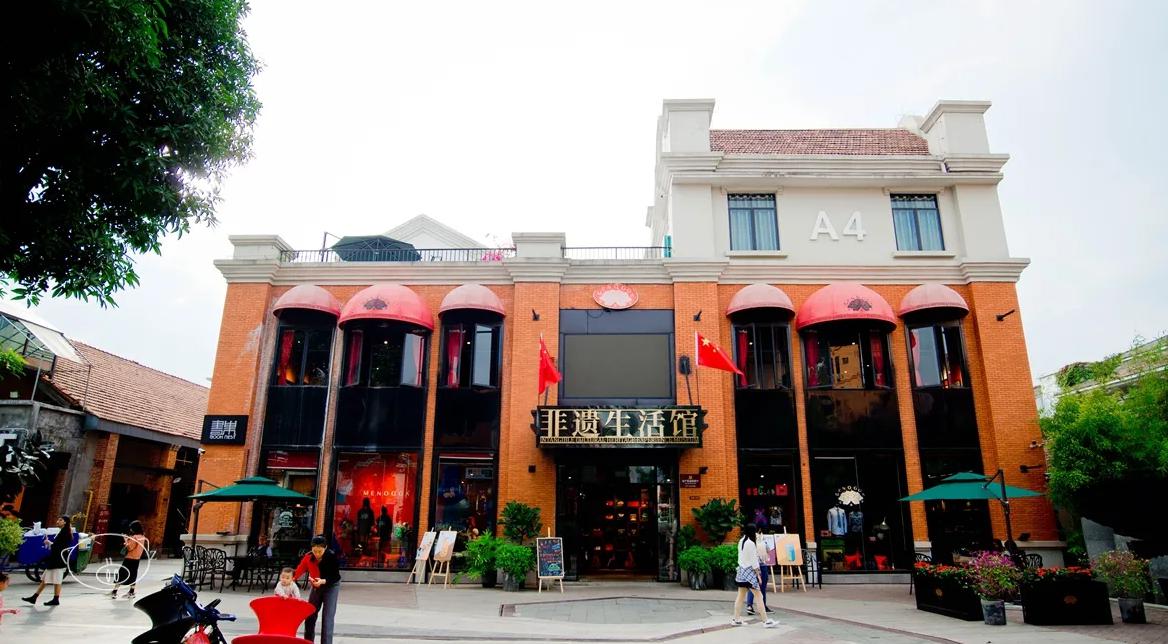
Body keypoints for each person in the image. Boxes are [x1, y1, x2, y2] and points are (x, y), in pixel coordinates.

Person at [730, 524, 777, 628]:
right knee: (759, 596)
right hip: (749, 572)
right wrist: (758, 575)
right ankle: (765, 621)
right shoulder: (750, 543)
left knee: (740, 596)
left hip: (741, 571)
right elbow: (754, 561)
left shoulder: (741, 541)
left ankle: (736, 619)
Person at [23, 515, 72, 606]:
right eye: (58, 520)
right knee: (47, 579)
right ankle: (35, 597)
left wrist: (49, 543)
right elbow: (59, 546)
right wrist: (51, 543)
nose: (57, 521)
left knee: (55, 580)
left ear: (65, 522)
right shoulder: (62, 532)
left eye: (60, 520)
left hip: (58, 560)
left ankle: (53, 599)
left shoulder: (65, 533)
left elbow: (59, 547)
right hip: (56, 559)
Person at [303, 535, 341, 644]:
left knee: (327, 617)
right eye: (314, 551)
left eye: (320, 551)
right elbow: (301, 568)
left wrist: (323, 581)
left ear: (325, 548)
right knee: (310, 613)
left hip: (331, 585)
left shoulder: (331, 556)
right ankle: (308, 641)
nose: (317, 554)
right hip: (316, 584)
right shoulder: (309, 556)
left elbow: (335, 577)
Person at [111, 520, 148, 599]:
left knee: (122, 574)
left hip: (129, 558)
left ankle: (114, 592)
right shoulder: (142, 537)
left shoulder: (134, 537)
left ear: (135, 528)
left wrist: (125, 539)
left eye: (131, 528)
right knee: (133, 575)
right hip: (137, 559)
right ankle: (131, 592)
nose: (130, 529)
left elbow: (130, 548)